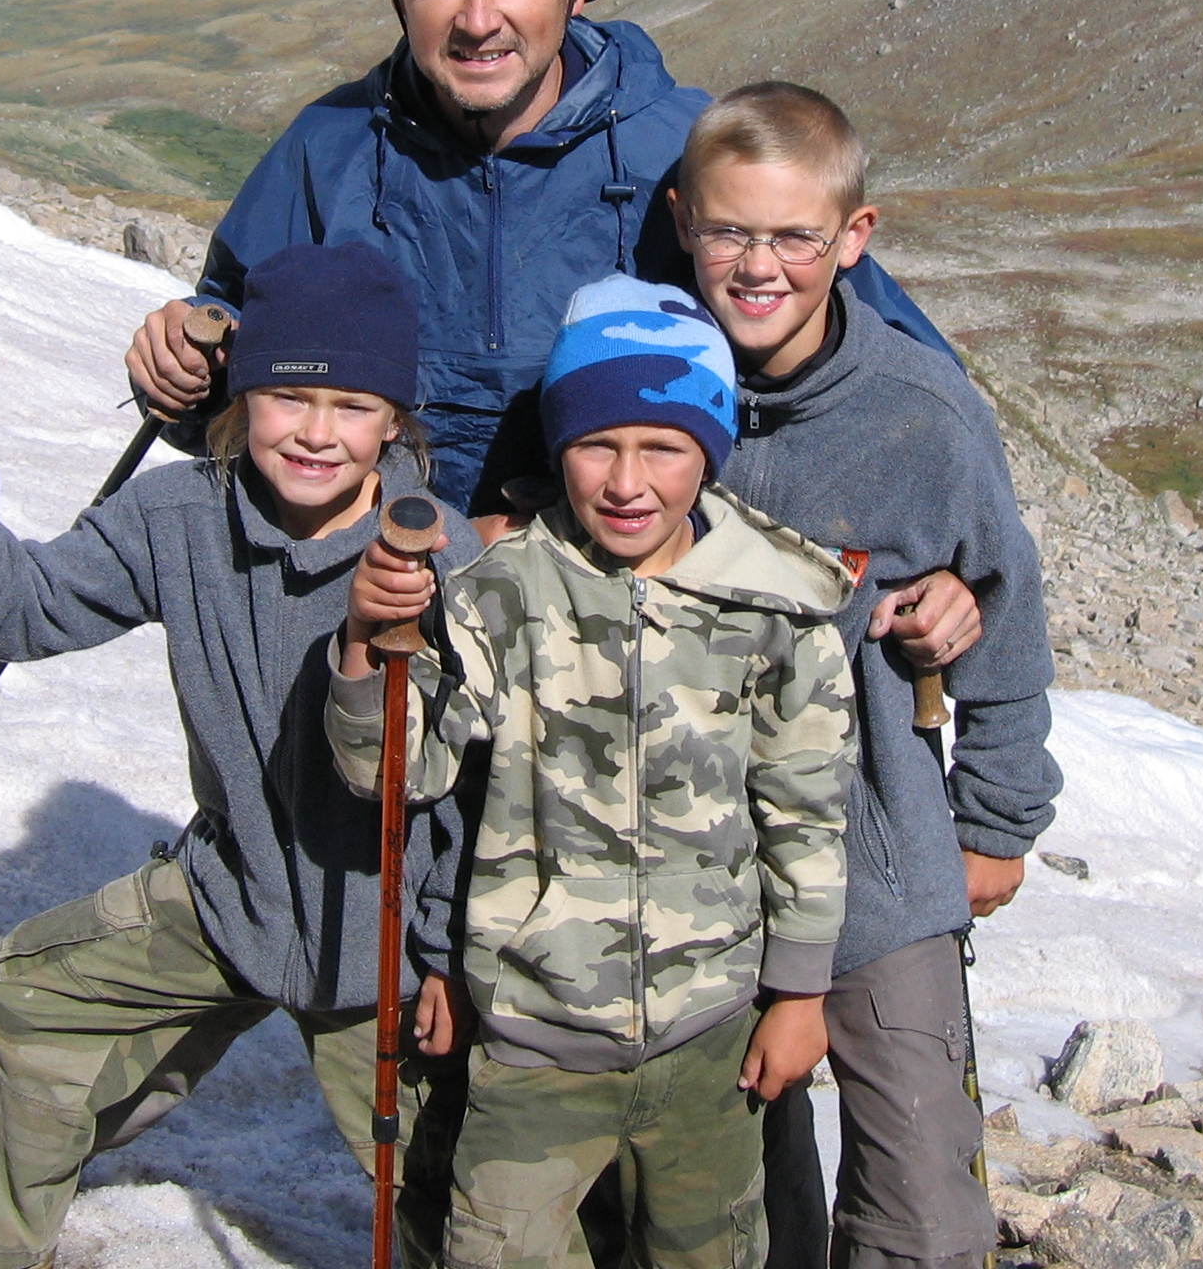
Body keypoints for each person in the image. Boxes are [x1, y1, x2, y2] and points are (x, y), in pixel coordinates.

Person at [0, 241, 481, 1269]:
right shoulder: (179, 516)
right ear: (242, 395)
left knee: (466, 1207)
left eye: (353, 406)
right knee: (23, 1005)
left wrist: (447, 954)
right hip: (233, 890)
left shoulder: (443, 556)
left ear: (394, 421)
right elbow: (22, 609)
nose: (316, 432)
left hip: (389, 945)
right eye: (286, 396)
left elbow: (480, 791)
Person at [120, 0, 951, 526]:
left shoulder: (684, 150)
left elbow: (885, 372)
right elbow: (238, 363)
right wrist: (185, 368)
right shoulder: (327, 148)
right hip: (378, 590)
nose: (479, 19)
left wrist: (947, 559)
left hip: (621, 611)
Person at [327, 277, 857, 1269]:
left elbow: (807, 808)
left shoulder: (775, 607)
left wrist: (799, 993)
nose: (626, 481)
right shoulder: (500, 593)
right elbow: (398, 774)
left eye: (664, 447)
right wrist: (366, 646)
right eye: (595, 445)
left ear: (710, 450)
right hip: (532, 1035)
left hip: (713, 1030)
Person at [670, 83, 1059, 1269]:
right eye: (730, 232)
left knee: (921, 1200)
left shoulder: (920, 412)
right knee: (732, 1189)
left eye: (795, 236)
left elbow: (1005, 603)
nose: (759, 266)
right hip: (696, 862)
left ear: (854, 238)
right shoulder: (640, 389)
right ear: (683, 222)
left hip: (878, 854)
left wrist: (994, 823)